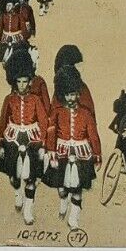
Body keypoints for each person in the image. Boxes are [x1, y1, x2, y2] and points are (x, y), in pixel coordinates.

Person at [43, 65, 102, 230]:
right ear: (63, 95)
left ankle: (74, 218)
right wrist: (51, 150)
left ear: (78, 94)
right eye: (68, 94)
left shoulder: (86, 113)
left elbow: (93, 135)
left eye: (73, 94)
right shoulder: (57, 112)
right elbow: (51, 133)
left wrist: (97, 154)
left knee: (77, 189)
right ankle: (63, 200)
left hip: (81, 154)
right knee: (62, 188)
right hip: (61, 153)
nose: (71, 98)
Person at [0, 52, 48, 225]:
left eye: (25, 81)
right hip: (13, 138)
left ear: (30, 82)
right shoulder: (9, 99)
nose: (22, 85)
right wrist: (1, 143)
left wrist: (43, 145)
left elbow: (43, 121)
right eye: (19, 81)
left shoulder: (36, 100)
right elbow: (3, 121)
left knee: (31, 178)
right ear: (14, 82)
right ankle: (18, 192)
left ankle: (28, 210)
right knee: (14, 176)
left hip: (32, 139)